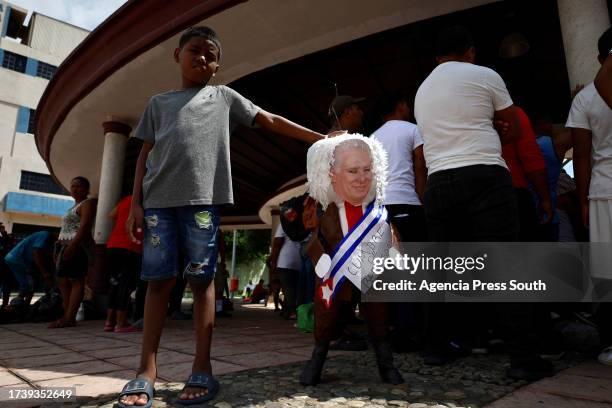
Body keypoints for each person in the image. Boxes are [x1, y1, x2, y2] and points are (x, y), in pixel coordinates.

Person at [117, 26, 329, 407]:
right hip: (158, 206)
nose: (202, 58)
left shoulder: (224, 97)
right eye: (195, 50)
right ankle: (145, 370)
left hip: (202, 204)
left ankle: (203, 367)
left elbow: (270, 119)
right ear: (177, 54)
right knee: (158, 282)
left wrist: (319, 138)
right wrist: (136, 203)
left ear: (217, 65)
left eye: (211, 54)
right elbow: (145, 156)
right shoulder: (158, 104)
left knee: (201, 281)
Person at [414, 26, 553, 380]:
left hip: (439, 181)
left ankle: (436, 349)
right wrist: (493, 124)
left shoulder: (422, 90)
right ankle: (523, 360)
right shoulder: (484, 74)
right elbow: (514, 126)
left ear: (437, 57)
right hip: (484, 174)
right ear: (470, 52)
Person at [300, 134, 403, 386]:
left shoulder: (378, 211)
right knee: (326, 318)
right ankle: (316, 359)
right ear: (333, 175)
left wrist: (395, 251)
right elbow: (317, 240)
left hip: (371, 271)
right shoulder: (328, 212)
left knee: (379, 317)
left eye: (367, 169)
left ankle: (386, 364)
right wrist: (320, 260)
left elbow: (389, 233)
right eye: (353, 171)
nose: (361, 177)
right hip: (334, 273)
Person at [567, 27, 612, 366]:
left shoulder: (585, 99)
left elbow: (581, 155)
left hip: (602, 191)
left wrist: (581, 201)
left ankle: (610, 343)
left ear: (599, 58)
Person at [371, 93, 427, 241]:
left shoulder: (371, 138)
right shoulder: (413, 129)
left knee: (390, 261)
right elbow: (420, 166)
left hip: (380, 210)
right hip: (408, 202)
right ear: (400, 106)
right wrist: (422, 201)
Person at [49, 176, 96, 329]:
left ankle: (69, 317)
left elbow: (84, 228)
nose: (75, 189)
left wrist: (72, 246)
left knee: (76, 280)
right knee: (62, 281)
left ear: (86, 189)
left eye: (79, 186)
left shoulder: (87, 204)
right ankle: (67, 314)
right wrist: (59, 247)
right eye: (72, 186)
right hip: (64, 245)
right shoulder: (72, 207)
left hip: (77, 246)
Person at [104, 195, 143, 333]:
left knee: (115, 283)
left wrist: (123, 218)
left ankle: (109, 321)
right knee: (125, 285)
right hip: (131, 246)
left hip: (113, 244)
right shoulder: (145, 201)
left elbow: (111, 215)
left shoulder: (128, 199)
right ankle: (121, 323)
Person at [4, 230, 55, 305]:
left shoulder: (42, 237)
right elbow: (36, 253)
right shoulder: (45, 235)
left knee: (27, 283)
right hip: (18, 259)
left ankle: (22, 305)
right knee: (28, 284)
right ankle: (17, 305)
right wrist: (44, 273)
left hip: (13, 258)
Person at [268, 225, 301, 319]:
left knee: (287, 288)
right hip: (300, 260)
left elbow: (278, 242)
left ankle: (292, 312)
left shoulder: (284, 222)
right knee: (295, 288)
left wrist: (273, 261)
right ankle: (289, 310)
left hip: (284, 261)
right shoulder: (303, 221)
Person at [0, 223, 14, 309]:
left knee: (6, 284)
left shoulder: (5, 238)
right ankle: (4, 304)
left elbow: (8, 245)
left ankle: (5, 304)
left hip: (5, 264)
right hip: (4, 263)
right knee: (6, 284)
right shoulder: (3, 238)